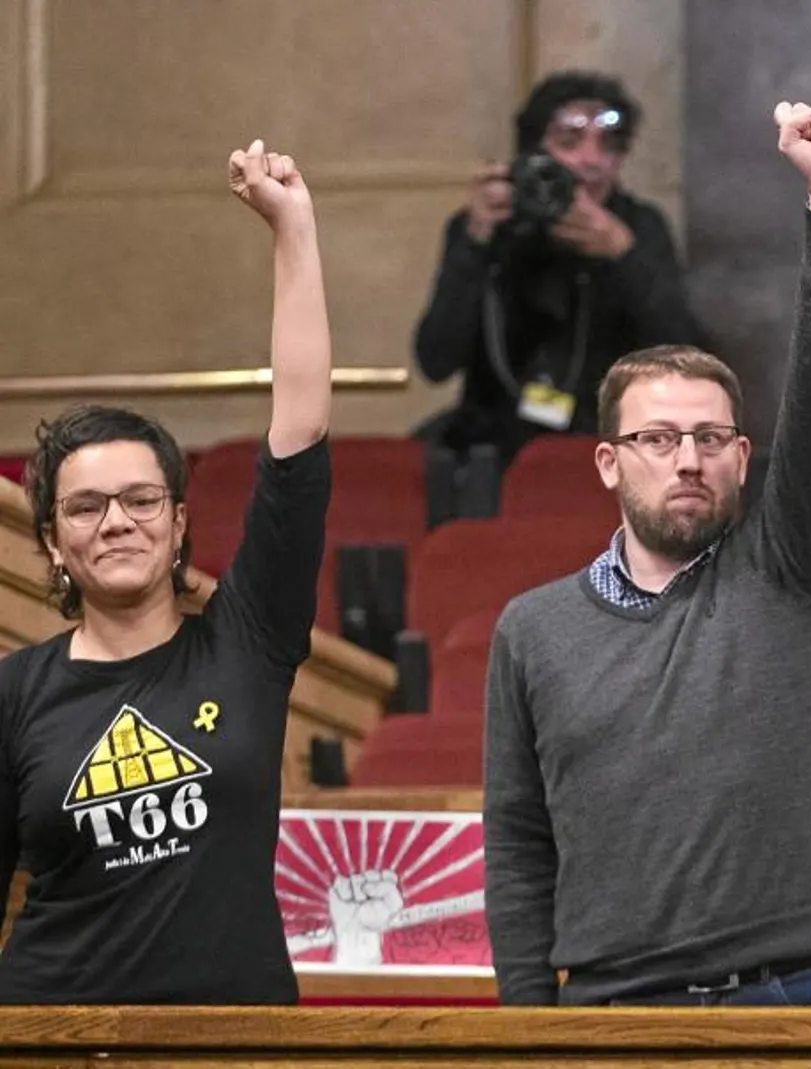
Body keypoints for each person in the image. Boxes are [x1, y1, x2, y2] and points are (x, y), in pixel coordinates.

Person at [482, 100, 811, 1007]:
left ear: (742, 457)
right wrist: (529, 1031)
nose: (687, 458)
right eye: (658, 439)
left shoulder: (782, 571)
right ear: (610, 462)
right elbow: (517, 841)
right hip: (608, 1011)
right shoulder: (532, 630)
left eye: (708, 437)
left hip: (784, 1000)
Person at [0, 142, 334, 1003]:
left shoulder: (248, 641)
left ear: (180, 522)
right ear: (52, 542)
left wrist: (293, 229)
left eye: (142, 499)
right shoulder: (15, 693)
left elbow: (296, 441)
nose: (116, 520)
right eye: (85, 507)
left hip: (240, 1043)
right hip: (55, 1043)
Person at [413, 70, 707, 467]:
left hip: (604, 446)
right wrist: (475, 242)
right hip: (495, 445)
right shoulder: (491, 226)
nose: (591, 161)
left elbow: (685, 354)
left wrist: (623, 256)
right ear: (533, 153)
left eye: (609, 146)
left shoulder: (637, 226)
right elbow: (435, 360)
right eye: (569, 143)